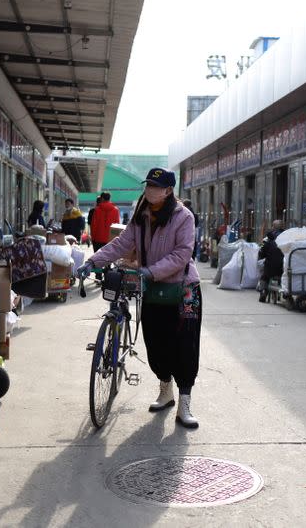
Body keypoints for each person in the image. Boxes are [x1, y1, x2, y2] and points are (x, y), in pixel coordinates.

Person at [77, 168, 202, 428]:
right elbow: (121, 244)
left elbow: (182, 254)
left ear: (168, 191)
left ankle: (185, 403)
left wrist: (149, 271)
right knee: (155, 342)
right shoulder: (141, 215)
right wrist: (93, 261)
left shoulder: (183, 217)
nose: (150, 190)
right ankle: (165, 390)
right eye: (148, 185)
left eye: (155, 187)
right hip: (152, 286)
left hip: (184, 289)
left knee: (185, 344)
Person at [258, 220, 285, 303]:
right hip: (283, 268)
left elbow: (262, 254)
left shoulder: (268, 239)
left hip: (270, 269)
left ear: (273, 227)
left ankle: (263, 292)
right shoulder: (286, 237)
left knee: (264, 276)